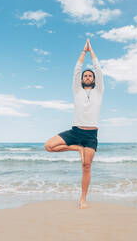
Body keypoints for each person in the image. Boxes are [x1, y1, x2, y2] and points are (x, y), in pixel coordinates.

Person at [44, 38, 104, 209]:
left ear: (93, 80)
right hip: (75, 131)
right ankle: (76, 148)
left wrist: (91, 52)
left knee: (86, 166)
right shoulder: (76, 90)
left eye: (90, 76)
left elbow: (99, 70)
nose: (87, 77)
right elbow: (76, 71)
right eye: (85, 75)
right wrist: (82, 52)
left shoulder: (99, 91)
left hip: (91, 135)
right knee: (48, 146)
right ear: (82, 79)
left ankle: (83, 199)